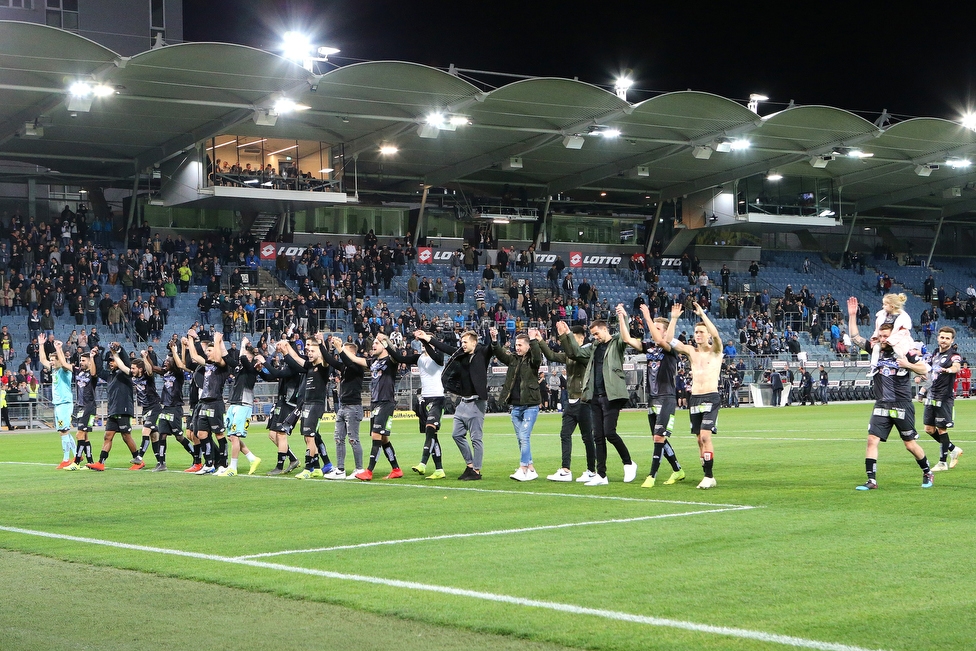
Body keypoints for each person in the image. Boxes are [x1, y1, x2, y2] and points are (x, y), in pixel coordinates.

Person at [847, 297, 933, 491]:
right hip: (881, 404)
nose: (883, 339)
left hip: (901, 404)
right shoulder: (876, 349)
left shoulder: (905, 352)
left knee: (909, 445)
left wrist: (909, 365)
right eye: (881, 335)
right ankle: (872, 481)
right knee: (871, 440)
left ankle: (927, 471)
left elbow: (924, 370)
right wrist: (852, 316)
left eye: (886, 336)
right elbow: (855, 338)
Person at [559, 307, 639, 486]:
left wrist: (623, 317)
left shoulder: (617, 342)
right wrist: (567, 335)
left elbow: (625, 336)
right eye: (593, 335)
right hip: (595, 395)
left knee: (610, 433)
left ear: (604, 329)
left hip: (612, 395)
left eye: (596, 334)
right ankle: (601, 475)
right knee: (598, 436)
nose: (595, 337)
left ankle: (628, 463)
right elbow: (577, 353)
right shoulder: (594, 347)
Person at [667, 302, 723, 489]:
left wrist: (703, 315)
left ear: (707, 335)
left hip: (711, 397)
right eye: (696, 332)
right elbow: (668, 340)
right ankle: (707, 475)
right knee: (699, 439)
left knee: (706, 436)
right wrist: (674, 319)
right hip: (695, 398)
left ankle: (709, 476)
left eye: (701, 332)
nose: (698, 335)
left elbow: (715, 334)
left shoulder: (716, 351)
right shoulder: (691, 351)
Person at [534, 326, 596, 482]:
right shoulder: (569, 355)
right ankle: (565, 470)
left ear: (581, 339)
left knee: (587, 437)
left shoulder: (587, 354)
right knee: (565, 434)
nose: (570, 342)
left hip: (584, 401)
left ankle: (591, 470)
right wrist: (540, 340)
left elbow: (575, 354)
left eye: (572, 338)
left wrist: (563, 335)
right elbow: (552, 355)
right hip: (571, 401)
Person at [633, 303, 686, 487]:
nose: (653, 332)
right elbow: (628, 340)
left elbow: (664, 340)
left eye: (657, 329)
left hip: (667, 398)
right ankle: (678, 470)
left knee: (658, 438)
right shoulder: (649, 347)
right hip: (653, 399)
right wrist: (622, 318)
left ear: (664, 333)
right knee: (660, 439)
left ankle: (652, 475)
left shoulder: (670, 349)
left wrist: (649, 318)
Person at [433, 330, 495, 480]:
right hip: (463, 402)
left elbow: (492, 348)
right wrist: (429, 339)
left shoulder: (482, 353)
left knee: (476, 438)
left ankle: (477, 471)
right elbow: (446, 348)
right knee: (456, 435)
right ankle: (470, 465)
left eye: (465, 342)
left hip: (476, 402)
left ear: (474, 342)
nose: (463, 345)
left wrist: (493, 339)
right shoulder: (462, 355)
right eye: (461, 342)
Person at [386, 330, 447, 479]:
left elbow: (434, 355)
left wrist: (426, 339)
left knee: (430, 429)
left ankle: (423, 463)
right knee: (432, 435)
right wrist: (386, 344)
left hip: (437, 398)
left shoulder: (439, 357)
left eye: (425, 342)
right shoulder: (418, 358)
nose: (422, 345)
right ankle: (439, 469)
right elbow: (399, 357)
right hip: (424, 400)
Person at [491, 329, 542, 481]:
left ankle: (523, 469)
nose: (517, 348)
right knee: (521, 438)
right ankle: (531, 468)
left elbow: (537, 357)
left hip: (530, 405)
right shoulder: (513, 359)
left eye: (520, 345)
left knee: (524, 436)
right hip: (515, 406)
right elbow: (500, 354)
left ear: (528, 346)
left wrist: (534, 340)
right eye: (516, 345)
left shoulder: (533, 361)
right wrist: (494, 340)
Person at [285, 333, 337, 480]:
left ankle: (308, 468)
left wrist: (321, 343)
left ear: (319, 351)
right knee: (309, 438)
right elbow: (296, 358)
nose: (309, 353)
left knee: (310, 437)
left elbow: (327, 359)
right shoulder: (309, 366)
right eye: (308, 351)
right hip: (307, 404)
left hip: (316, 405)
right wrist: (287, 345)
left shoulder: (323, 366)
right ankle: (316, 468)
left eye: (312, 351)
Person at [351, 334, 403, 481]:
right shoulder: (373, 361)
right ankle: (396, 469)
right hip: (375, 402)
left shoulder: (391, 360)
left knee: (376, 435)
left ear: (384, 345)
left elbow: (396, 355)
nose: (373, 345)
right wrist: (340, 348)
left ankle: (369, 471)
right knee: (384, 438)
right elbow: (356, 359)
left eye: (376, 343)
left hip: (386, 401)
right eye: (373, 343)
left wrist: (385, 339)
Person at [87, 343, 140, 471]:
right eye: (109, 361)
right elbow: (98, 371)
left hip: (123, 408)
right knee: (107, 436)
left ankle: (138, 460)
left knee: (126, 436)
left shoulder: (125, 373)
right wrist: (96, 355)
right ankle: (101, 462)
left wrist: (120, 350)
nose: (110, 363)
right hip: (113, 410)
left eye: (112, 360)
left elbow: (126, 362)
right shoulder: (110, 375)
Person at [320, 336, 366, 479]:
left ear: (351, 352)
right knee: (338, 438)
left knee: (353, 439)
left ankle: (359, 469)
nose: (342, 354)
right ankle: (340, 470)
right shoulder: (345, 366)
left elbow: (346, 360)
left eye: (345, 351)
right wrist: (322, 343)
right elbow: (330, 360)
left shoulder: (357, 366)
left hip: (353, 407)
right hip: (343, 406)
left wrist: (340, 348)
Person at [186, 332, 230, 474]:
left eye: (209, 350)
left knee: (219, 434)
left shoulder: (222, 365)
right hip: (204, 403)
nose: (207, 353)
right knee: (202, 434)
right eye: (207, 351)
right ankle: (209, 463)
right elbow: (193, 356)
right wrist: (190, 339)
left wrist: (216, 341)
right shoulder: (207, 365)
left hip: (215, 402)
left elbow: (218, 357)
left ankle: (223, 464)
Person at [218, 336, 263, 477]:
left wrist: (242, 345)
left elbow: (243, 358)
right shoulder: (240, 368)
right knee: (231, 436)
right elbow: (226, 357)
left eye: (249, 357)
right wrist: (219, 342)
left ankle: (233, 467)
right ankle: (252, 459)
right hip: (234, 403)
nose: (245, 358)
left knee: (235, 437)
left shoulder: (252, 370)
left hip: (244, 404)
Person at [923, 326, 963, 472]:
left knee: (941, 429)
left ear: (952, 340)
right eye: (942, 337)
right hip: (931, 396)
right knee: (928, 429)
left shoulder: (954, 355)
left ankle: (942, 463)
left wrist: (950, 369)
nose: (944, 340)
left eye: (947, 338)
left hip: (944, 397)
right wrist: (922, 388)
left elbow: (957, 366)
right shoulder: (934, 354)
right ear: (938, 338)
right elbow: (929, 374)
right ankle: (953, 449)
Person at [259, 341, 303, 476]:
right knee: (273, 435)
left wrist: (264, 362)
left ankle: (279, 467)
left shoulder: (295, 365)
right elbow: (271, 375)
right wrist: (260, 370)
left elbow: (278, 374)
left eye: (282, 345)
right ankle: (293, 459)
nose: (278, 347)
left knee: (281, 435)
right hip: (281, 402)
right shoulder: (287, 364)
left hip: (290, 404)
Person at [153, 339, 195, 472]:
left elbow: (178, 365)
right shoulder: (166, 373)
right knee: (162, 435)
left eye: (168, 360)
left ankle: (196, 455)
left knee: (179, 437)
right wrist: (145, 357)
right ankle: (161, 463)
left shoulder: (178, 373)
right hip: (165, 408)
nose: (165, 361)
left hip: (175, 408)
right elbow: (154, 368)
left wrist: (174, 351)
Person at [38, 334, 75, 469]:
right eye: (51, 360)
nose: (51, 362)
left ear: (59, 360)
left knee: (63, 430)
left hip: (65, 404)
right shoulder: (54, 369)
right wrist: (41, 344)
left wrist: (59, 349)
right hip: (58, 405)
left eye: (53, 360)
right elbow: (42, 359)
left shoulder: (65, 370)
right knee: (63, 430)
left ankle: (66, 459)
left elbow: (64, 363)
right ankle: (77, 454)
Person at [65, 346, 100, 470]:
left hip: (89, 407)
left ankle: (76, 462)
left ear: (89, 362)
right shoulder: (77, 371)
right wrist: (58, 349)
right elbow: (64, 364)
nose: (81, 362)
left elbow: (94, 373)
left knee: (79, 434)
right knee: (84, 436)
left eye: (84, 360)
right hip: (80, 406)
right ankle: (90, 462)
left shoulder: (92, 374)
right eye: (81, 360)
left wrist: (92, 357)